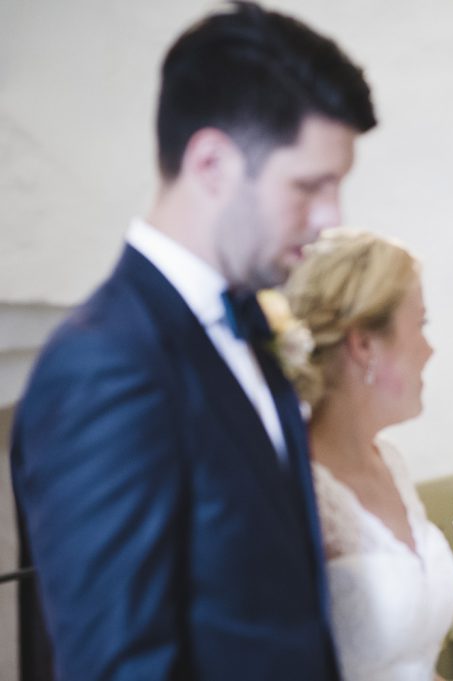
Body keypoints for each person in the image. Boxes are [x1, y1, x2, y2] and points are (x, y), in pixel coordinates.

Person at [9, 3, 376, 679]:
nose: (333, 219)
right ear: (211, 162)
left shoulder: (249, 326)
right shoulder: (105, 364)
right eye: (310, 186)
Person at [281, 229, 453, 680]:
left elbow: (413, 660)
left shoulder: (391, 464)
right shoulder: (295, 488)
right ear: (364, 344)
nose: (430, 349)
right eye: (420, 325)